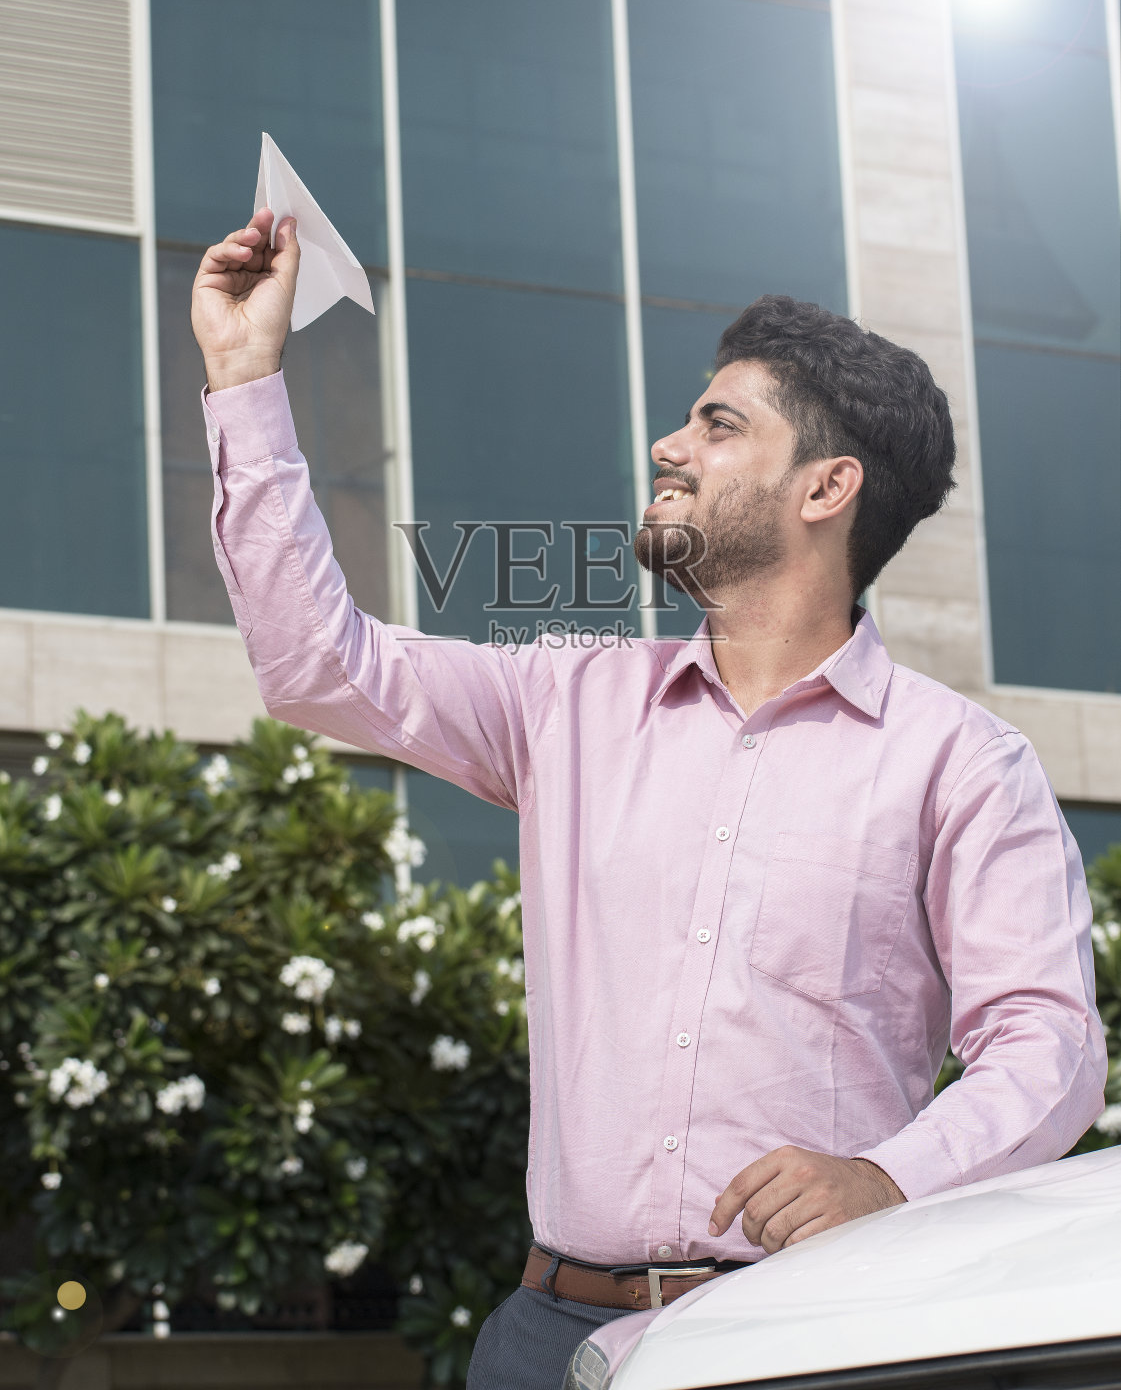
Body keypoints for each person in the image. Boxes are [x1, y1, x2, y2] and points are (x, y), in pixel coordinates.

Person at [191, 210, 1106, 1390]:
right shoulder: (564, 702)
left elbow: (1046, 1047)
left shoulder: (961, 764)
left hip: (802, 1340)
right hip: (543, 1338)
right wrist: (242, 374)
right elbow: (319, 664)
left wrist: (889, 1179)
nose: (669, 445)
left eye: (717, 424)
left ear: (826, 485)